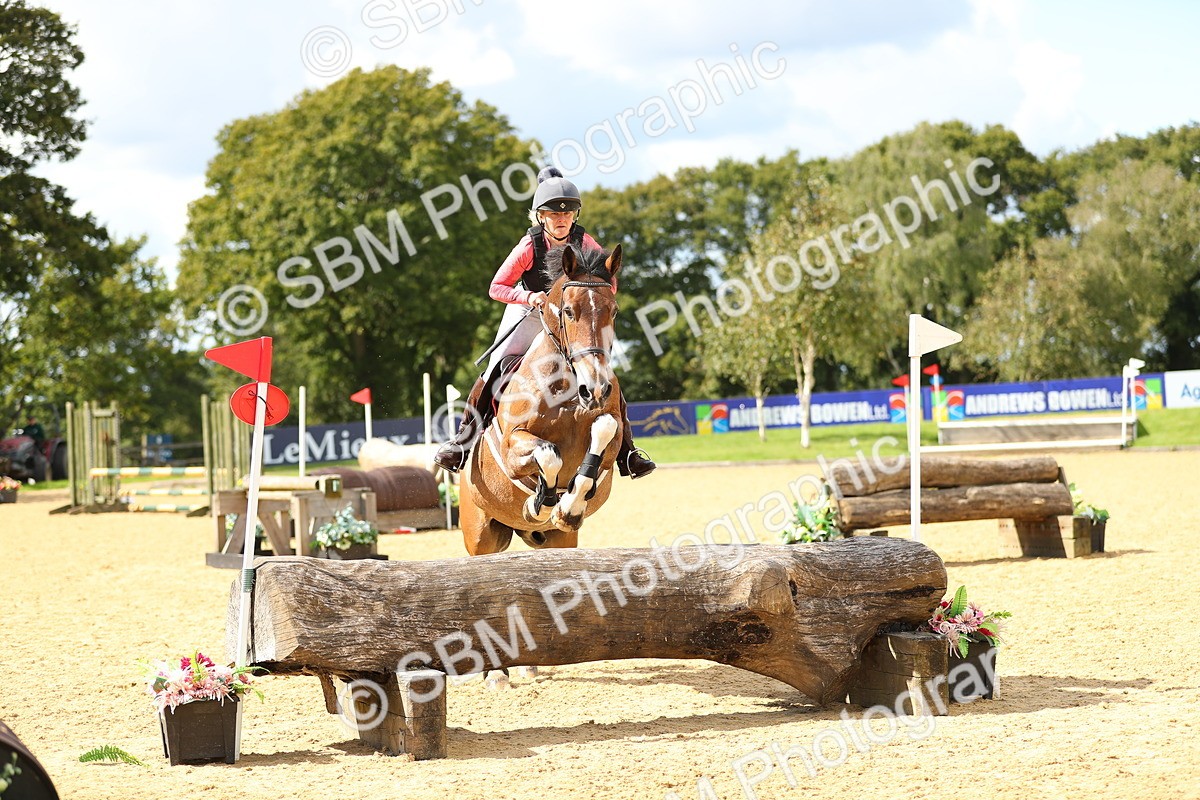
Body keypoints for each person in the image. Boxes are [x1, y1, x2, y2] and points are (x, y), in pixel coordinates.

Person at [434, 167, 655, 479]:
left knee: (601, 369)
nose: (561, 219)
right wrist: (529, 297)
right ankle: (463, 440)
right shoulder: (530, 246)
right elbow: (496, 287)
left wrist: (594, 294)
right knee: (495, 365)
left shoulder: (585, 241)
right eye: (553, 214)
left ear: (575, 215)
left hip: (572, 317)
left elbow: (609, 282)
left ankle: (627, 452)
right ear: (540, 216)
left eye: (568, 213)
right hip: (530, 312)